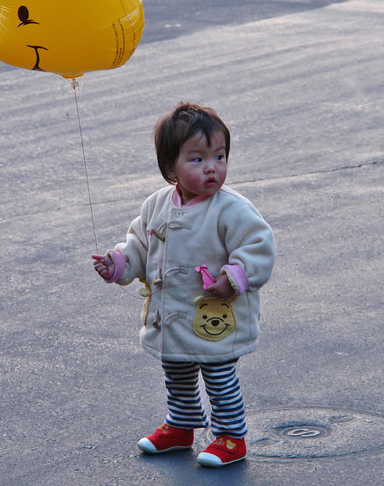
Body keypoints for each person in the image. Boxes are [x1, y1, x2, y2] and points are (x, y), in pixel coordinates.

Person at [92, 103, 276, 467]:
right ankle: (182, 425)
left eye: (219, 156)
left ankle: (230, 436)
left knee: (219, 374)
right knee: (176, 371)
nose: (212, 167)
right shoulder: (155, 205)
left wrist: (234, 277)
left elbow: (259, 246)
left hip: (214, 317)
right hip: (171, 316)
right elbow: (139, 246)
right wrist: (118, 263)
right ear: (169, 167)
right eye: (197, 159)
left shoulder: (231, 209)